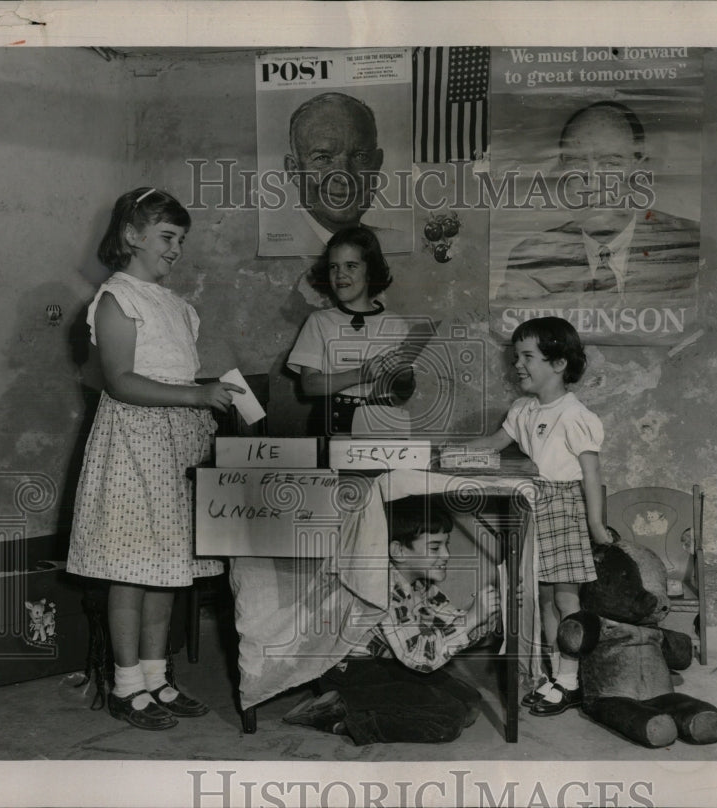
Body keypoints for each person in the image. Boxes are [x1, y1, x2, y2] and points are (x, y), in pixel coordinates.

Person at [66, 187, 244, 731]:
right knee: (130, 570)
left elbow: (176, 377)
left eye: (181, 240)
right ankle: (125, 684)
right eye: (168, 237)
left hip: (177, 445)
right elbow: (119, 381)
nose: (176, 249)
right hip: (133, 445)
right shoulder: (116, 299)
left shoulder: (178, 307)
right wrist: (195, 396)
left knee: (169, 570)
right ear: (132, 235)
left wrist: (208, 393)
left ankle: (157, 677)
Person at [459, 316, 610, 716]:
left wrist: (596, 525)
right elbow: (494, 443)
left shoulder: (575, 414)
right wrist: (453, 455)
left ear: (559, 364)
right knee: (542, 597)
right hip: (530, 505)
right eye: (515, 357)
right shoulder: (523, 409)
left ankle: (571, 680)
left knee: (565, 598)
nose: (518, 365)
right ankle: (553, 675)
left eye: (528, 356)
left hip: (562, 507)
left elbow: (591, 474)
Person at [282, 497, 500, 744]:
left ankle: (348, 703)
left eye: (446, 545)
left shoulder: (419, 582)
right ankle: (340, 716)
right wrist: (472, 618)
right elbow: (421, 658)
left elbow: (447, 626)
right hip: (351, 672)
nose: (447, 555)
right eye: (435, 547)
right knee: (447, 718)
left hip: (386, 662)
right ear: (398, 551)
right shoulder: (384, 589)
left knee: (470, 701)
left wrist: (485, 616)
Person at [496, 101, 700, 302]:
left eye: (611, 163)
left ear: (641, 172)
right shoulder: (531, 261)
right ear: (561, 171)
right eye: (577, 163)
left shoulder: (692, 248)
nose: (593, 182)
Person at [287, 225, 415, 436]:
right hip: (332, 424)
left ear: (370, 270)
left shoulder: (395, 324)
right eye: (333, 267)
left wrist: (404, 375)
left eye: (351, 266)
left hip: (381, 423)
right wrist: (359, 375)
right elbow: (309, 385)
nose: (340, 275)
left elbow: (405, 392)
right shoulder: (319, 321)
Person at [272, 92, 409, 255]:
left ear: (377, 163)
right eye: (323, 158)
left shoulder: (400, 243)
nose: (344, 176)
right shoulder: (274, 245)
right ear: (294, 170)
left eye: (360, 156)